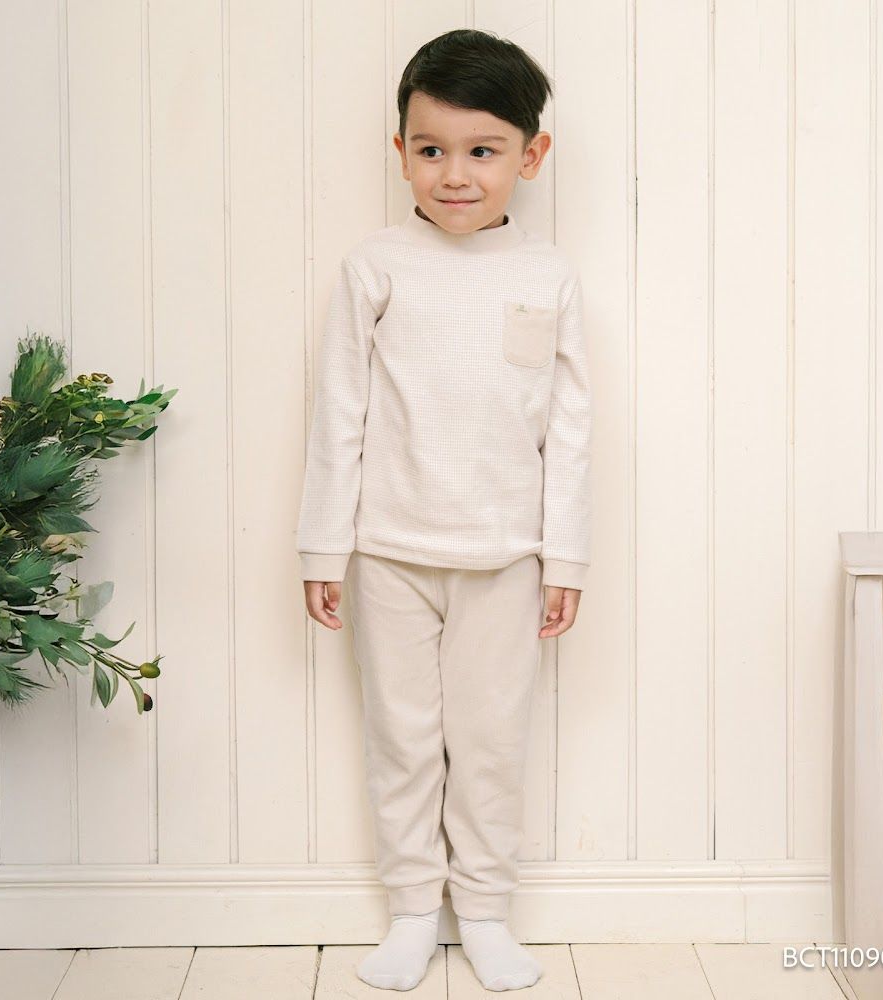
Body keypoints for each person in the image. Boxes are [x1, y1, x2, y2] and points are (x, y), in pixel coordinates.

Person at [296, 27, 591, 993]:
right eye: (431, 150)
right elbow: (339, 413)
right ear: (401, 152)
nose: (455, 174)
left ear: (530, 156)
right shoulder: (375, 266)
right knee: (403, 738)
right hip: (389, 551)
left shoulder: (546, 274)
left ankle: (488, 910)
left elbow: (570, 428)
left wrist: (565, 557)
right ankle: (415, 909)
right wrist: (323, 548)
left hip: (506, 557)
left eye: (482, 151)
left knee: (491, 744)